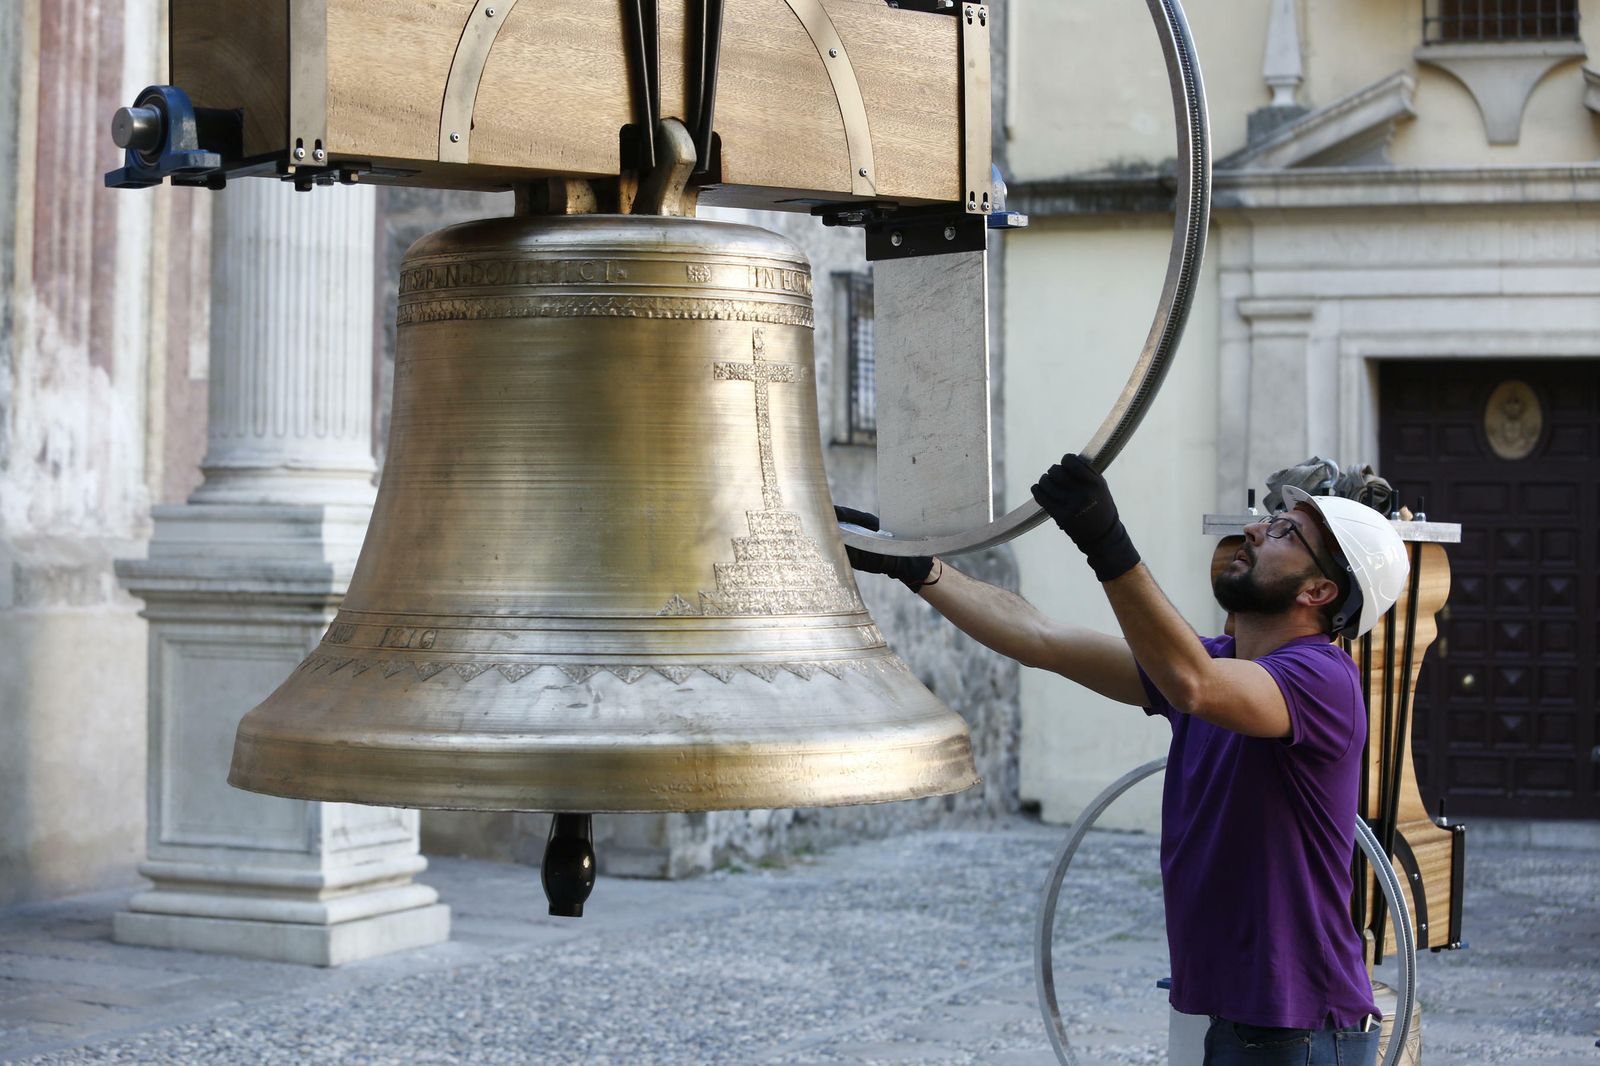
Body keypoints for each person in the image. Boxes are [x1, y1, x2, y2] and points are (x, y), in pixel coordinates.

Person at [838, 453, 1411, 1066]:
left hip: (1295, 1025)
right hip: (1246, 1017)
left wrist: (1106, 542)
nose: (1253, 529)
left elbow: (1193, 684)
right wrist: (920, 570)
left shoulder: (1320, 678)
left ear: (1319, 590)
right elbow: (1041, 639)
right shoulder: (1215, 664)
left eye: (1284, 532)